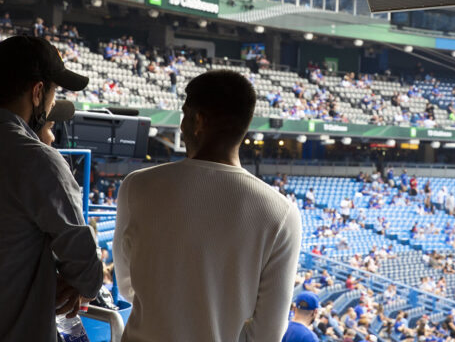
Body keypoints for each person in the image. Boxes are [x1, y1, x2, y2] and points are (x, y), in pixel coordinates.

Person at [114, 70, 302, 341]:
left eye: (183, 115)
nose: (181, 126)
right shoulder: (282, 213)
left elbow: (126, 286)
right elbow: (268, 332)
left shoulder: (137, 186)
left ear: (197, 120)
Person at [0, 35, 102, 342]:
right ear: (37, 92)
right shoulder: (36, 160)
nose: (53, 102)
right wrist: (74, 283)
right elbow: (88, 273)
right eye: (54, 92)